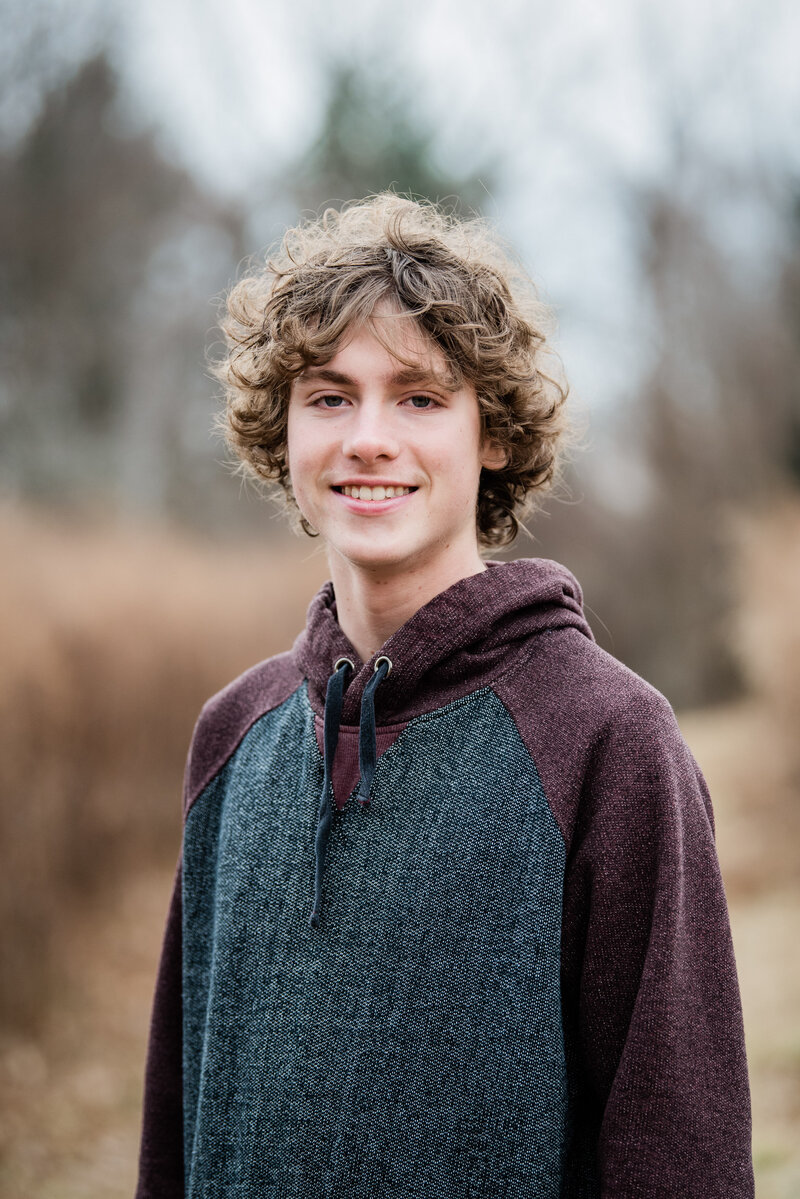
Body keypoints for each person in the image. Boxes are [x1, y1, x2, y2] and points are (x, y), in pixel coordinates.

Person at [136, 194, 754, 1198]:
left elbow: (676, 1151)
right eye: (329, 396)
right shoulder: (232, 737)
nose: (368, 438)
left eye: (419, 397)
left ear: (493, 435)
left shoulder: (605, 739)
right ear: (281, 434)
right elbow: (177, 1130)